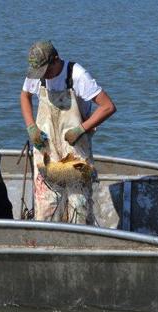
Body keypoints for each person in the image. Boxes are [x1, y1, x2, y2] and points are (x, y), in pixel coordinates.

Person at [20, 40, 116, 224]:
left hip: (75, 150)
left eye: (47, 71)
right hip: (46, 148)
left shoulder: (77, 75)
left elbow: (108, 106)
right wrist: (31, 127)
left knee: (78, 204)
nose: (44, 76)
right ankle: (46, 245)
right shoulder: (38, 74)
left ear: (56, 59)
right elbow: (25, 96)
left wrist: (82, 128)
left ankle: (80, 244)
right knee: (45, 204)